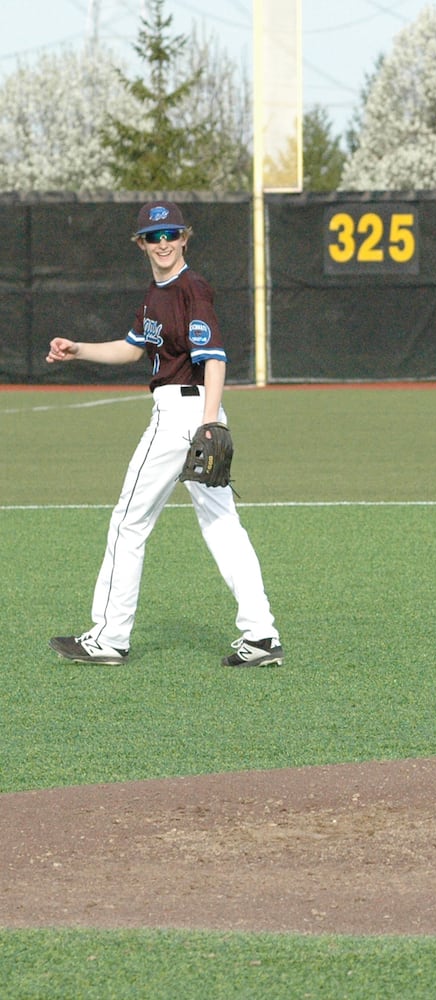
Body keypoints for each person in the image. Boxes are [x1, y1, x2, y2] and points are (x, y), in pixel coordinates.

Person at [47, 201, 284, 668]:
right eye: (153, 237)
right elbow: (133, 348)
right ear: (141, 243)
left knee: (129, 521)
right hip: (194, 412)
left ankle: (110, 636)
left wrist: (209, 421)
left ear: (185, 238)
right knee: (221, 525)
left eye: (171, 234)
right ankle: (261, 636)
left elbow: (214, 357)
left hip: (183, 413)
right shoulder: (155, 294)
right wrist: (78, 350)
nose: (163, 243)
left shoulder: (191, 288)